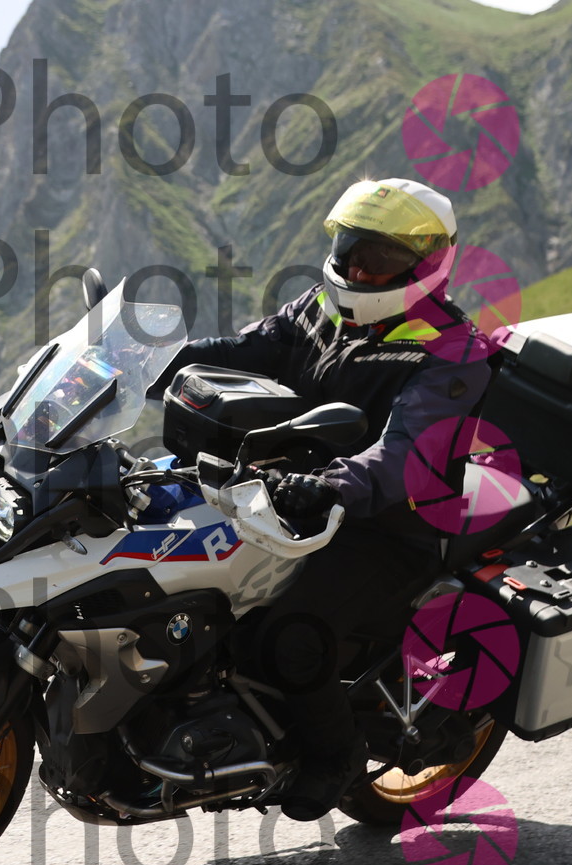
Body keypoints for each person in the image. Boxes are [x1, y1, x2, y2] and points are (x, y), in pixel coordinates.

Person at [153, 177, 494, 821]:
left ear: (426, 265)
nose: (358, 269)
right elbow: (246, 351)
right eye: (350, 249)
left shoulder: (454, 351)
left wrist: (332, 485)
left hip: (385, 526)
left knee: (287, 637)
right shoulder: (322, 307)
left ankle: (335, 757)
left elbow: (403, 456)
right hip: (281, 499)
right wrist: (157, 363)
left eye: (378, 258)